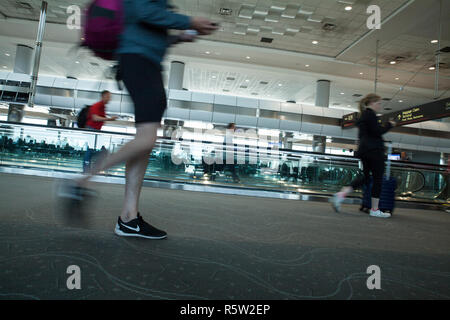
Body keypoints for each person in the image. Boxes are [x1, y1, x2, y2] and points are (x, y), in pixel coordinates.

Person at [59, 0, 218, 239]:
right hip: (140, 63)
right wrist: (190, 21)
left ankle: (128, 218)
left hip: (143, 62)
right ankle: (81, 181)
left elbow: (145, 28)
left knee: (144, 141)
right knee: (146, 139)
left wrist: (178, 37)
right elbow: (144, 12)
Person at [332, 94, 396, 218]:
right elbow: (377, 132)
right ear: (371, 103)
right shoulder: (370, 115)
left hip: (364, 151)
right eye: (378, 103)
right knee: (378, 179)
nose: (380, 105)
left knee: (366, 178)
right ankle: (375, 209)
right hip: (374, 151)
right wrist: (389, 124)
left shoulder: (363, 116)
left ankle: (341, 195)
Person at [83, 90, 118, 172]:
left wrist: (106, 120)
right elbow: (95, 118)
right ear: (103, 96)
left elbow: (99, 118)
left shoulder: (102, 106)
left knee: (96, 150)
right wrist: (109, 119)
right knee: (93, 150)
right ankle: (87, 170)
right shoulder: (97, 105)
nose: (109, 99)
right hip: (92, 129)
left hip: (96, 130)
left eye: (110, 97)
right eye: (108, 97)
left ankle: (89, 170)